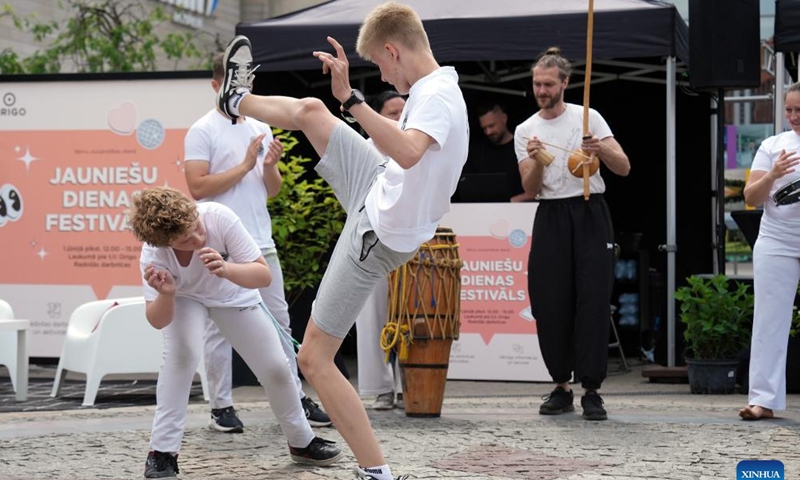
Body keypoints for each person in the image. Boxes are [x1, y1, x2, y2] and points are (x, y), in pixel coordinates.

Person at [214, 2, 469, 478]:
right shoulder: (438, 87)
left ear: (393, 50)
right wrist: (348, 104)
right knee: (312, 111)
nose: (385, 75)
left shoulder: (435, 97)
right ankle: (235, 101)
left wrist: (353, 102)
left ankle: (376, 471)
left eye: (380, 63)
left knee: (312, 357)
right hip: (378, 182)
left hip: (379, 231)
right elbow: (407, 149)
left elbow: (412, 153)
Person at [128, 187, 343, 478]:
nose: (197, 237)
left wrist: (227, 269)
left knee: (276, 367)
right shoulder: (153, 254)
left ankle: (302, 442)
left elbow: (262, 274)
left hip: (233, 292)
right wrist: (166, 294)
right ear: (165, 243)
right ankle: (162, 453)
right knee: (182, 357)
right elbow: (156, 319)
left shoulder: (218, 216)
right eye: (184, 239)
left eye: (196, 226)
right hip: (183, 297)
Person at [183, 51, 331, 432]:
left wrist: (266, 168)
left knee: (280, 321)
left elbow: (272, 191)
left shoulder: (259, 128)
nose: (241, 92)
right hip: (219, 242)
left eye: (247, 86)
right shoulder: (202, 130)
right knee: (219, 327)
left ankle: (296, 396)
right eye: (234, 85)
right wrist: (245, 165)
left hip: (260, 240)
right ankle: (221, 406)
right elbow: (197, 187)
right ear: (217, 86)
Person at [513, 47, 630, 421]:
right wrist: (532, 158)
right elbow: (529, 189)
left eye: (548, 84)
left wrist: (600, 149)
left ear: (565, 83)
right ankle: (560, 385)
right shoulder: (525, 130)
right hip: (551, 214)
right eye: (537, 84)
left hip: (590, 211)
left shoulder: (588, 117)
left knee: (594, 301)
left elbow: (624, 167)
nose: (542, 91)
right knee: (550, 302)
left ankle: (591, 390)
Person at [739, 82, 800, 421]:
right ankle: (762, 400)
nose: (792, 116)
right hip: (777, 239)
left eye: (798, 110)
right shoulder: (772, 145)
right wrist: (774, 173)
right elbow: (751, 197)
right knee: (769, 319)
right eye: (788, 109)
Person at [356, 90, 406, 411]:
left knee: (406, 313)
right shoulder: (363, 149)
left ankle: (409, 385)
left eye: (404, 111)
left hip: (408, 240)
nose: (400, 118)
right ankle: (381, 388)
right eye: (392, 113)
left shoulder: (415, 146)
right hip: (371, 237)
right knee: (373, 315)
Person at [461, 102, 535, 202]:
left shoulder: (522, 148)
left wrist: (516, 200)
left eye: (491, 126)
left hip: (518, 211)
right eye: (484, 128)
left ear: (504, 118)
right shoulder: (477, 152)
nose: (488, 132)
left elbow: (537, 188)